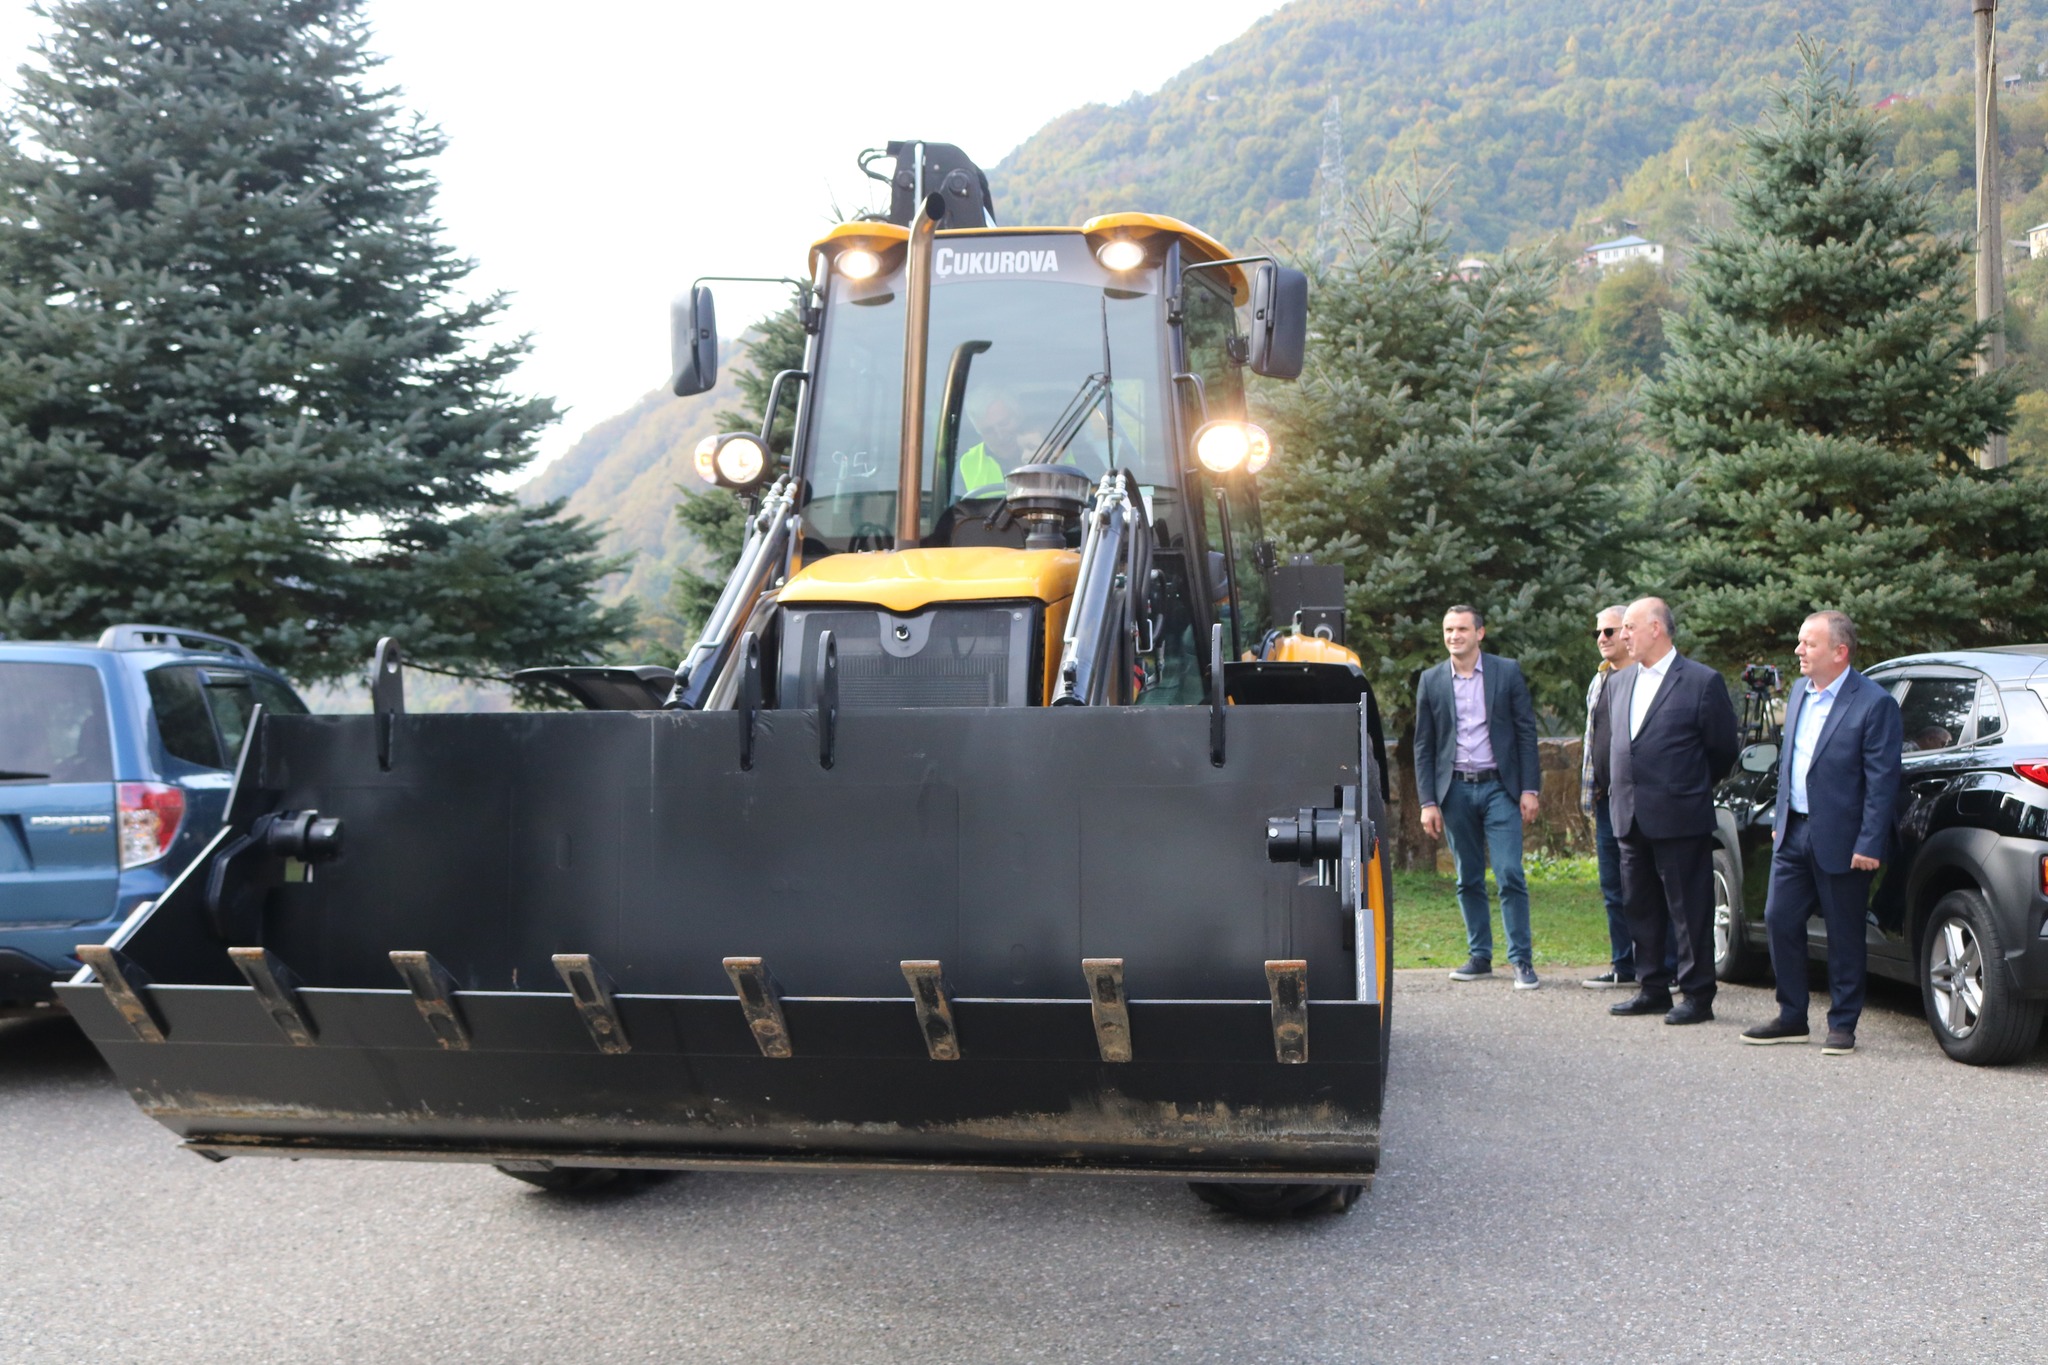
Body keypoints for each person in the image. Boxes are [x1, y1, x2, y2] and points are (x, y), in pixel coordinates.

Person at [1741, 611, 1903, 1055]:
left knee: (1844, 932)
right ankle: (1791, 1016)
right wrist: (1781, 820)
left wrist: (1869, 842)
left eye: (1809, 644)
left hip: (1845, 840)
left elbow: (1882, 781)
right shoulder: (1798, 692)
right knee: (1779, 918)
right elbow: (1790, 762)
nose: (1799, 651)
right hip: (1793, 831)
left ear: (1839, 652)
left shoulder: (1874, 703)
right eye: (1800, 642)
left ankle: (1842, 1024)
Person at [1604, 597, 1739, 1024]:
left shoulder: (1701, 681)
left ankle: (1698, 995)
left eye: (1630, 626)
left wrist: (1686, 787)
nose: (1623, 634)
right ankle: (1652, 988)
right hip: (1630, 814)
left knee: (1689, 909)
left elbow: (1722, 750)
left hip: (1680, 815)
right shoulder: (1618, 682)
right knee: (1639, 906)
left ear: (1656, 628)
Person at [1413, 605, 1544, 988]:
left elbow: (1525, 732)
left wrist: (1530, 789)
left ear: (1480, 633)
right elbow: (1424, 745)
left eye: (1462, 629)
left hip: (1500, 788)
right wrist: (1427, 802)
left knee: (1509, 872)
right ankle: (1480, 956)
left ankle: (1521, 960)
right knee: (1467, 877)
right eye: (1448, 630)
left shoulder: (1507, 672)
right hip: (1454, 791)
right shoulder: (1431, 680)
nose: (1454, 636)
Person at [1579, 604, 1639, 989]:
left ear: (1628, 633)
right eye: (1598, 633)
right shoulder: (1599, 679)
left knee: (1647, 887)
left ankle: (1663, 966)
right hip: (1605, 802)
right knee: (1613, 888)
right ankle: (1623, 965)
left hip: (1637, 802)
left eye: (1609, 631)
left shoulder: (1643, 679)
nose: (1602, 638)